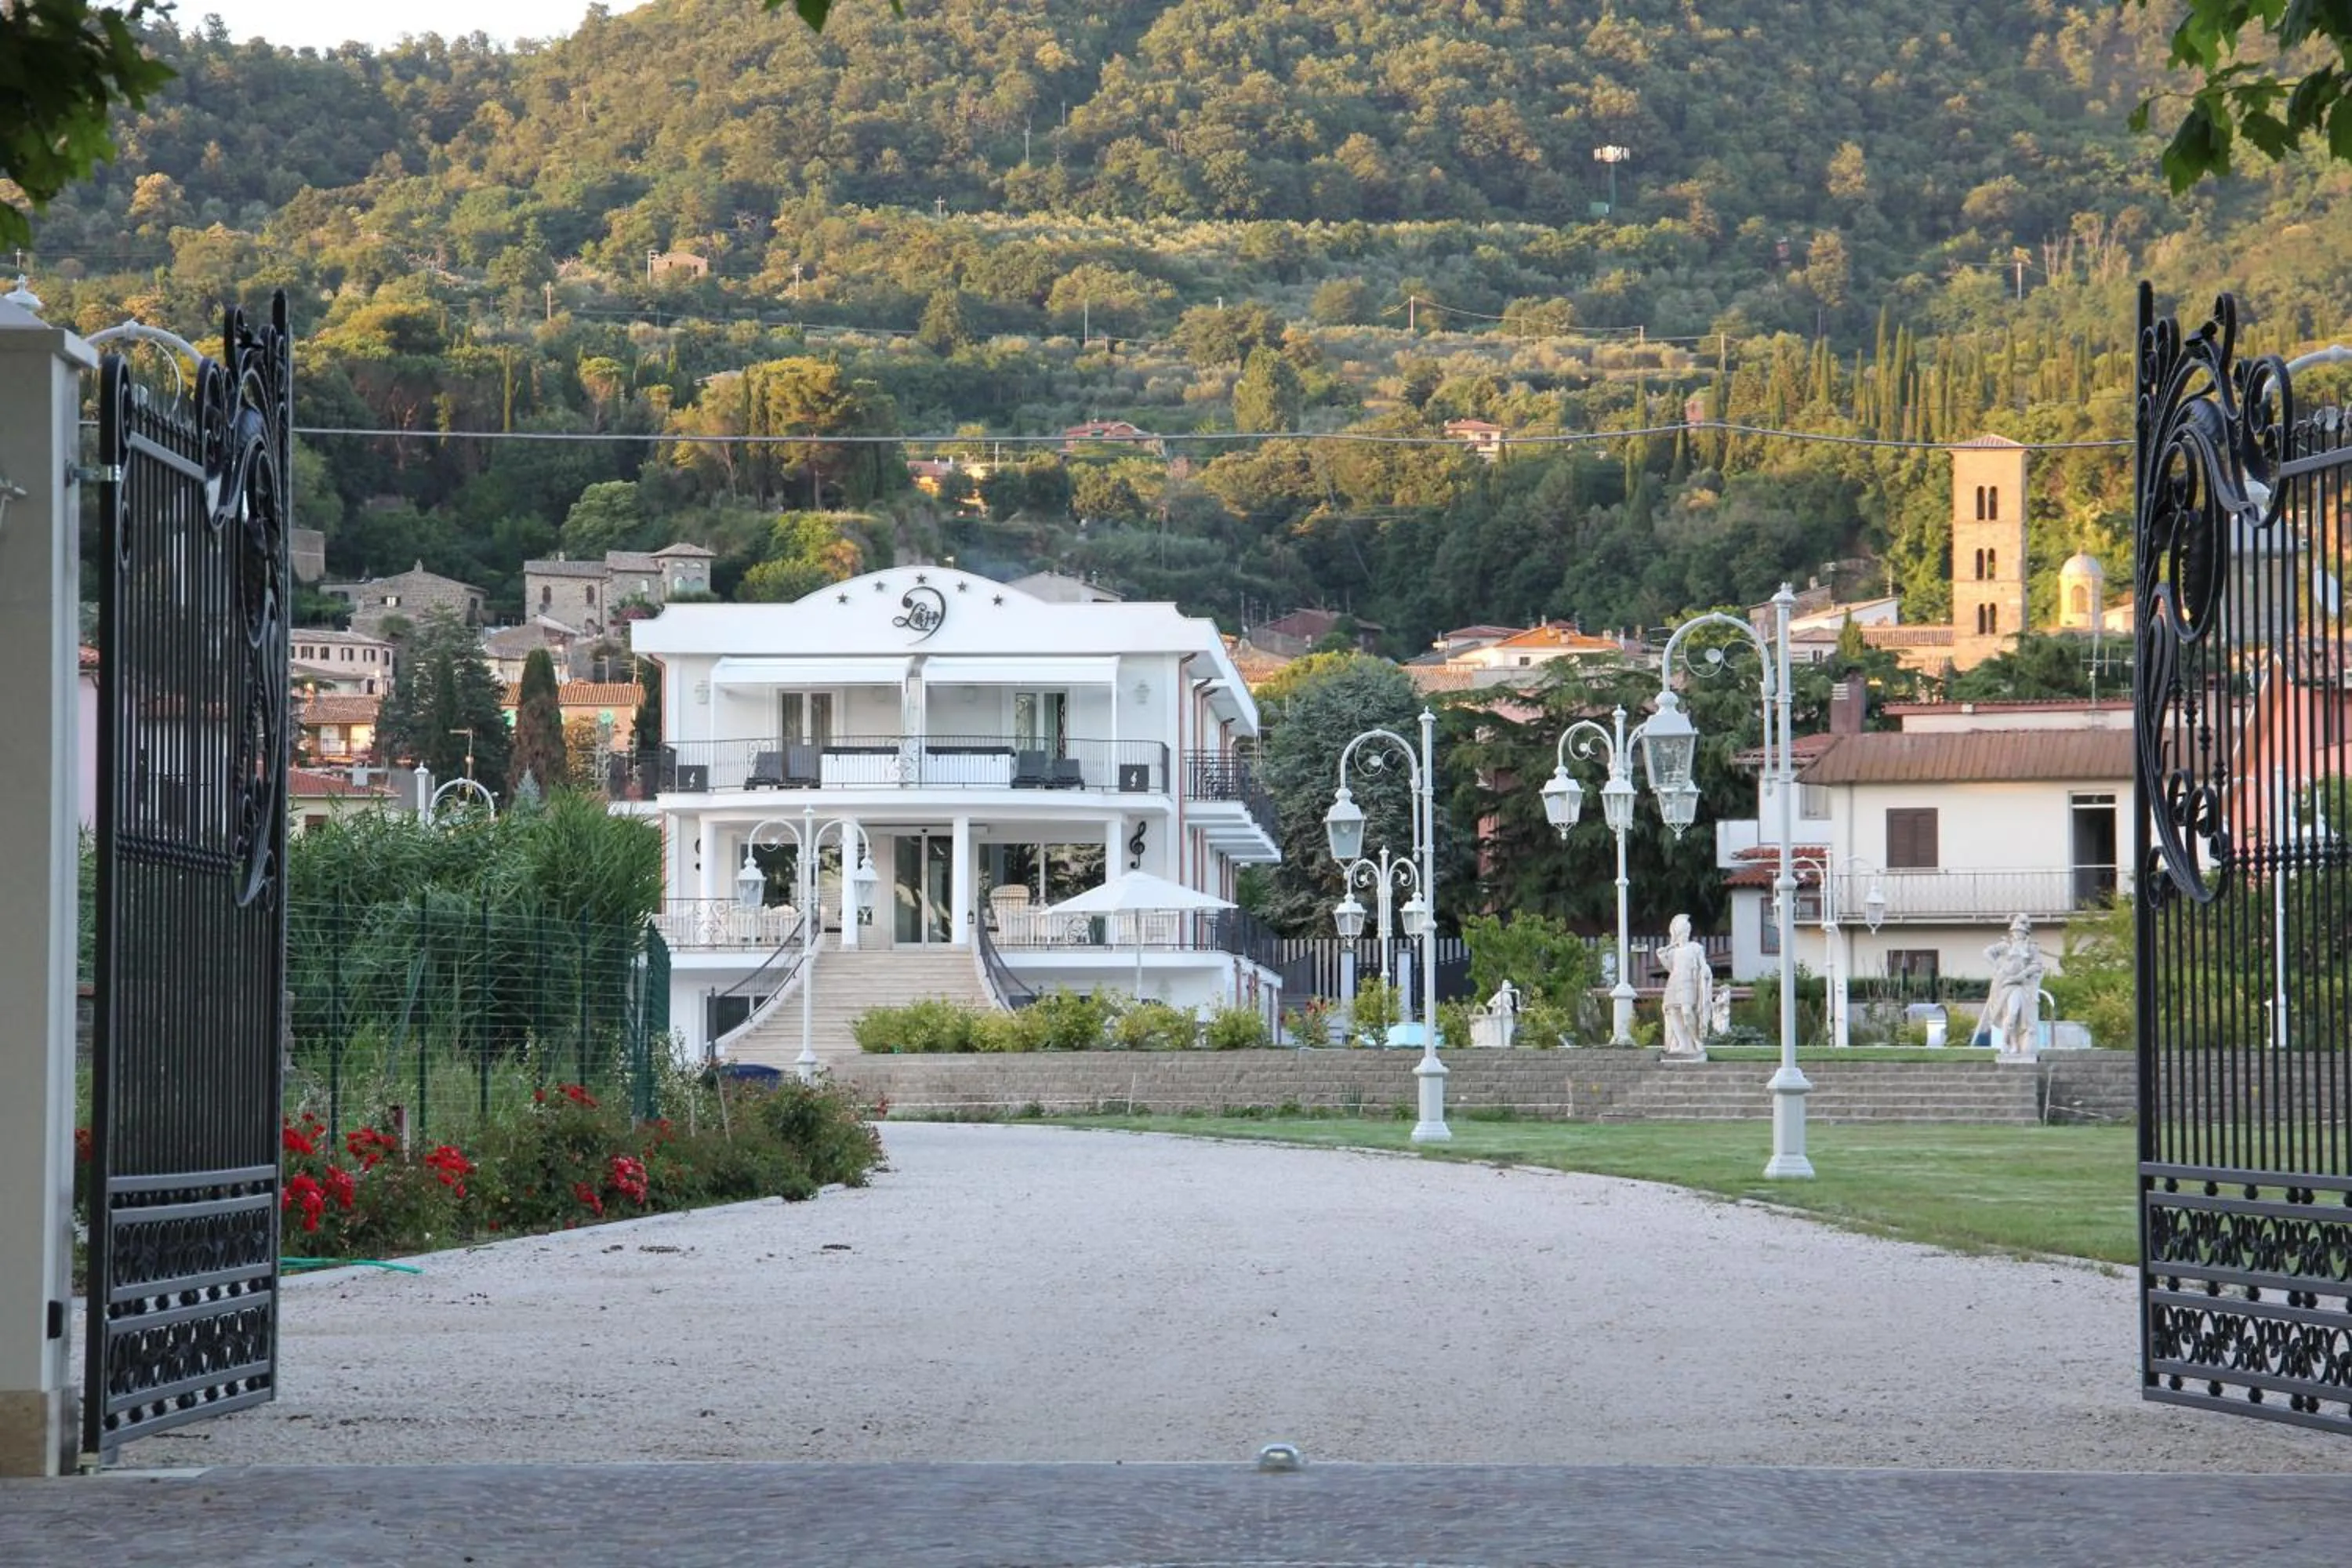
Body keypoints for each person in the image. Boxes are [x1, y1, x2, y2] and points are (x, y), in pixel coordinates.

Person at [1976, 914, 2047, 1052]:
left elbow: (2037, 965)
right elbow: (1987, 953)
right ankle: (2009, 1043)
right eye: (2016, 931)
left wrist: (2022, 975)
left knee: (2015, 1013)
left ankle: (2014, 1043)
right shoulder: (2005, 946)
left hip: (2021, 985)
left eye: (2021, 931)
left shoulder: (2031, 947)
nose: (2018, 934)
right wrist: (1998, 966)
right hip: (2004, 984)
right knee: (2009, 1014)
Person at [1660, 913, 1713, 1058]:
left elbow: (1703, 964)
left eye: (1688, 930)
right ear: (1677, 933)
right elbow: (1670, 967)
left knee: (1687, 1011)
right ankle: (1682, 1043)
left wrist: (1706, 970)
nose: (1686, 934)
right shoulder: (1672, 951)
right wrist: (1662, 956)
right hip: (1674, 983)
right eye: (1683, 931)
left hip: (1689, 982)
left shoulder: (1696, 947)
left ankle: (1696, 1041)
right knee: (1672, 1012)